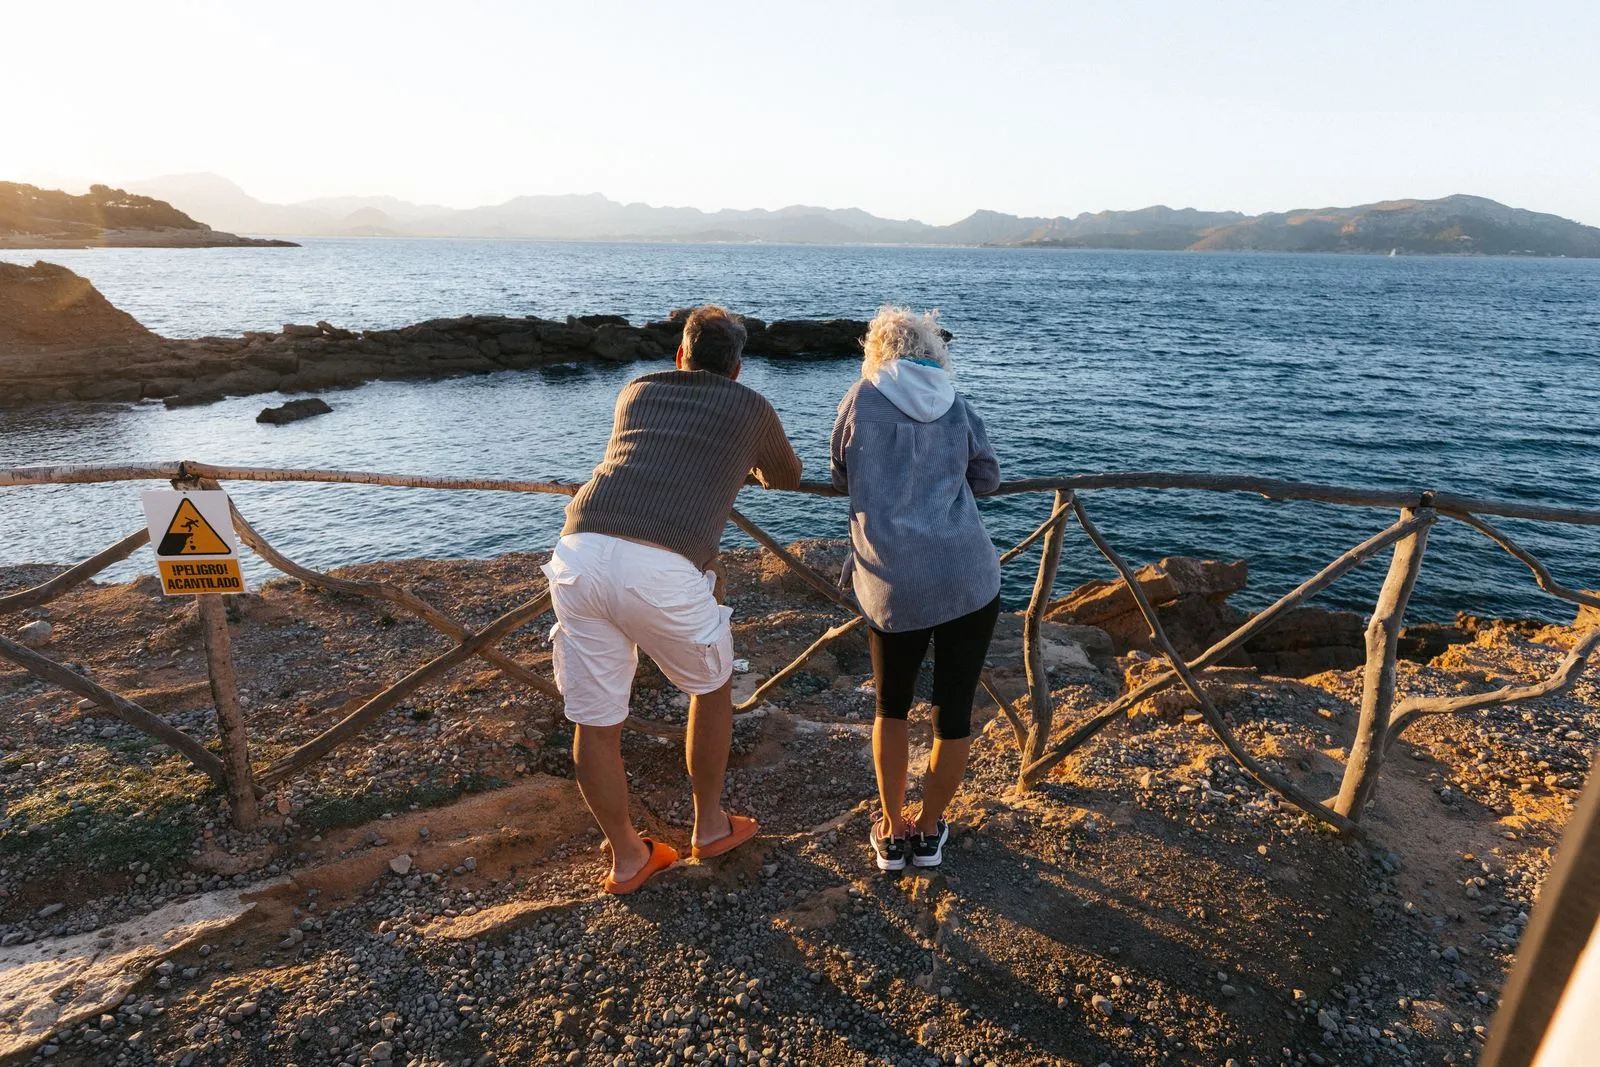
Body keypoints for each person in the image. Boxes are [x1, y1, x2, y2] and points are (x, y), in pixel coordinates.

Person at [544, 305, 802, 893]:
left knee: (596, 720)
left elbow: (650, 457)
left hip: (579, 550)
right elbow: (787, 475)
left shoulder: (636, 391)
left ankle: (627, 858)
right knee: (710, 690)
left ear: (681, 355)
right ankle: (708, 827)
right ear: (736, 367)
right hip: (659, 567)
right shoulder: (751, 407)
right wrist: (744, 464)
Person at [830, 306, 1002, 871]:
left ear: (877, 349)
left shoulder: (862, 397)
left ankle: (891, 827)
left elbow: (839, 470)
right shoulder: (957, 404)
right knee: (953, 714)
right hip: (966, 576)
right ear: (933, 349)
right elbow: (987, 477)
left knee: (892, 707)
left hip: (892, 580)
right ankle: (928, 833)